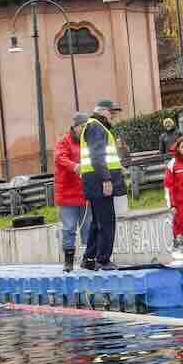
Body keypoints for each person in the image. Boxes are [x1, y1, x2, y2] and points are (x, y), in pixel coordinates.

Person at [80, 99, 125, 271]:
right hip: (100, 181)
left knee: (97, 221)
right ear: (103, 111)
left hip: (94, 180)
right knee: (106, 221)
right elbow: (97, 156)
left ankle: (89, 259)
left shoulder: (94, 126)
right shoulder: (96, 127)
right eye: (111, 112)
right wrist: (107, 178)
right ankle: (103, 259)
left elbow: (100, 156)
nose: (113, 115)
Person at [54, 113, 93, 273]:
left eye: (86, 128)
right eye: (82, 127)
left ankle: (88, 259)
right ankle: (68, 261)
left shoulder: (88, 142)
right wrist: (74, 166)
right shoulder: (64, 141)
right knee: (69, 228)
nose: (84, 131)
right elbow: (59, 158)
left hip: (85, 193)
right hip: (67, 194)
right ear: (75, 127)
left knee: (87, 227)